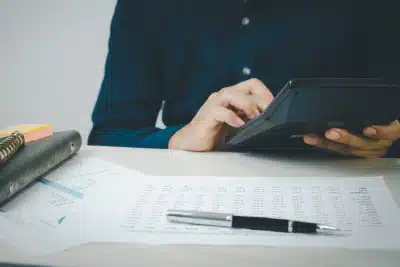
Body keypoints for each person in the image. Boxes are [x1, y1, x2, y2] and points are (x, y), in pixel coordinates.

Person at [88, 0, 400, 158]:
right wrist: (177, 139)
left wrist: (389, 140)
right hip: (194, 184)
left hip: (352, 186)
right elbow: (110, 135)